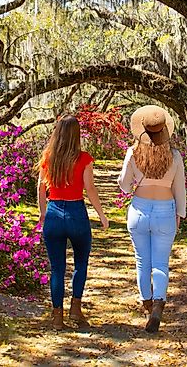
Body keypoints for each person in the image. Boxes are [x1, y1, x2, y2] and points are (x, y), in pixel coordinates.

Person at [118, 105, 187, 333]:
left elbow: (125, 186)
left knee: (142, 261)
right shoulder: (175, 155)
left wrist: (133, 183)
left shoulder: (133, 153)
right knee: (160, 262)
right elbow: (180, 189)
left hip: (139, 209)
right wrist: (180, 214)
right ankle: (159, 303)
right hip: (165, 210)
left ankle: (147, 304)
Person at [37, 115, 109, 330]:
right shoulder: (84, 158)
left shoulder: (48, 158)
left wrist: (42, 213)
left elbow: (41, 188)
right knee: (81, 263)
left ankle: (57, 316)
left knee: (57, 268)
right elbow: (90, 189)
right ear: (76, 134)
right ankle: (75, 309)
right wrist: (102, 215)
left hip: (54, 211)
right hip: (77, 212)